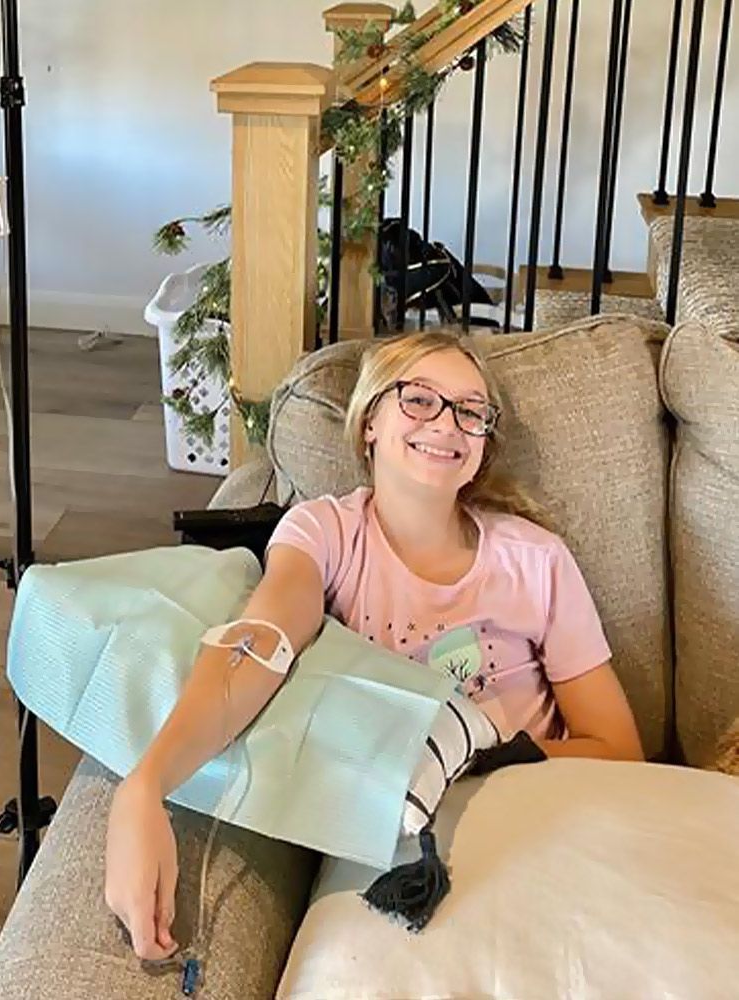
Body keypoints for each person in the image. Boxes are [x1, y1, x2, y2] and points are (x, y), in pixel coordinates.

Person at [105, 330, 644, 961]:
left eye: (471, 412)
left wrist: (473, 766)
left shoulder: (537, 561)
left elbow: (619, 750)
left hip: (539, 811)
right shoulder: (325, 533)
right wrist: (144, 785)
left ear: (483, 447)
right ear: (369, 422)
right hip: (401, 841)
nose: (447, 424)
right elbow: (262, 641)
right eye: (419, 399)